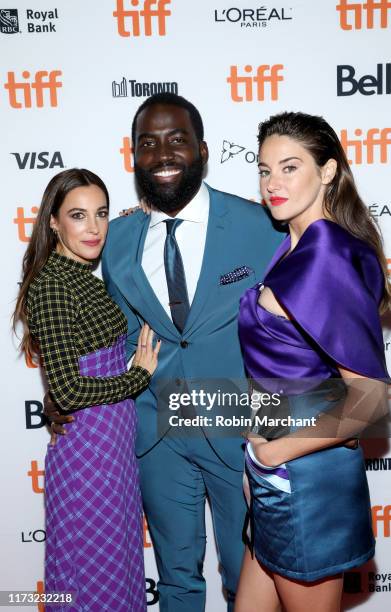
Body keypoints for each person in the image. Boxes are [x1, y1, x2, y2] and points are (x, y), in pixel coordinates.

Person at [45, 93, 284, 611]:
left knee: (249, 577)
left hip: (239, 429)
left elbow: (295, 332)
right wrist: (62, 392)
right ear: (135, 158)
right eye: (147, 144)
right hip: (156, 436)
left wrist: (313, 415)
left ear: (202, 148)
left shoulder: (260, 226)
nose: (163, 154)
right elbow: (97, 333)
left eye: (177, 139)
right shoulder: (115, 236)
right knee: (176, 579)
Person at [235, 112, 391, 612]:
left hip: (304, 481)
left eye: (289, 167)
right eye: (265, 170)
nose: (272, 184)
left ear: (327, 171)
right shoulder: (293, 245)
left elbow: (371, 398)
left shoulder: (323, 251)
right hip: (278, 474)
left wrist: (274, 456)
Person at [13, 168, 160, 611]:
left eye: (102, 214)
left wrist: (140, 220)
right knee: (87, 584)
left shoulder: (81, 275)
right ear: (54, 222)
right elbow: (69, 390)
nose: (93, 228)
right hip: (86, 458)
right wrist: (139, 376)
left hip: (111, 455)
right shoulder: (53, 285)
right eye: (78, 216)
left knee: (118, 578)